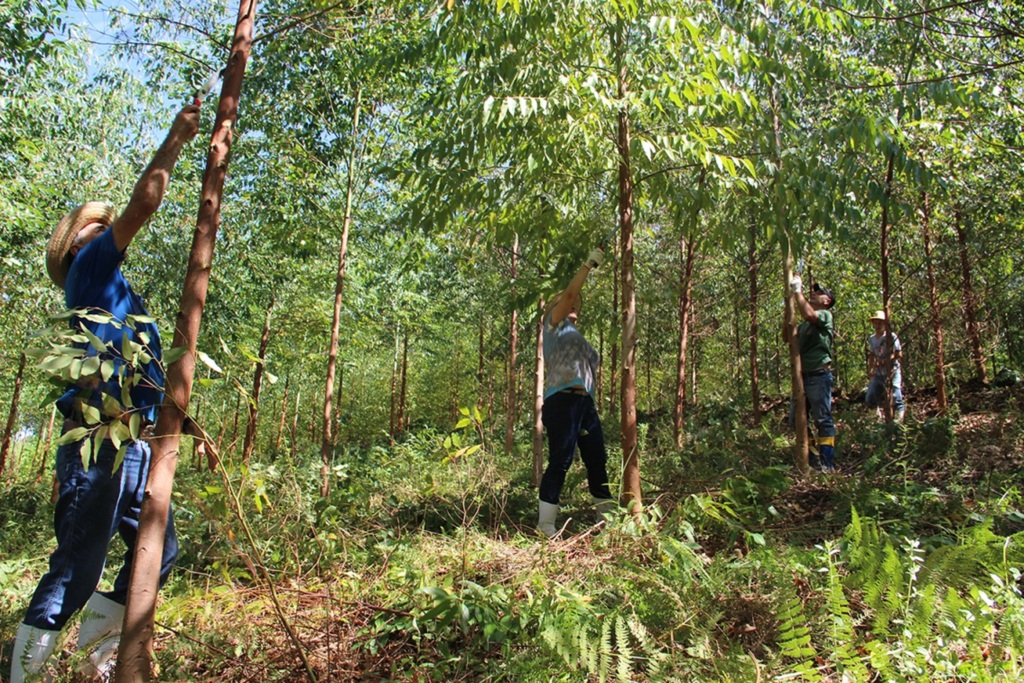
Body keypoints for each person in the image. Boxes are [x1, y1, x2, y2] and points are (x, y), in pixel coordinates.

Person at [11, 103, 201, 682]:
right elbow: (146, 201)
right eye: (101, 225)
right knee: (75, 569)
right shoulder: (88, 269)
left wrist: (186, 429)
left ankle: (98, 649)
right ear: (78, 242)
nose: (111, 230)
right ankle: (19, 673)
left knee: (160, 552)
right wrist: (175, 139)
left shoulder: (116, 294)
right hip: (98, 444)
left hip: (137, 445)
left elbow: (144, 374)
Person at [537, 248, 615, 538]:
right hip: (562, 401)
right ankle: (546, 526)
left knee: (597, 458)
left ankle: (607, 522)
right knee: (561, 460)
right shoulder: (554, 325)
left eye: (575, 309)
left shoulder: (577, 335)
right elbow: (569, 295)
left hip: (585, 405)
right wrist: (588, 265)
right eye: (568, 305)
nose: (573, 309)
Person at [789, 277, 837, 472]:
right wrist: (788, 312)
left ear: (826, 301)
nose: (814, 294)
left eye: (819, 292)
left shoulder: (825, 316)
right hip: (801, 378)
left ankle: (827, 464)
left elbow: (809, 315)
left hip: (818, 375)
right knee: (796, 420)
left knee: (822, 419)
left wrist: (797, 292)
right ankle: (813, 458)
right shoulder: (804, 326)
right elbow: (788, 338)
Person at [865, 310, 905, 422]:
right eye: (875, 323)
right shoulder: (872, 338)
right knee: (870, 396)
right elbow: (872, 354)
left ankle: (899, 419)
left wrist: (884, 362)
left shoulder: (891, 337)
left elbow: (899, 354)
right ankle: (877, 419)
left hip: (892, 371)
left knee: (896, 394)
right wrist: (871, 368)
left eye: (880, 323)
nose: (877, 325)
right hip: (878, 373)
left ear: (885, 324)